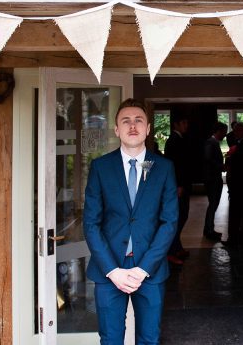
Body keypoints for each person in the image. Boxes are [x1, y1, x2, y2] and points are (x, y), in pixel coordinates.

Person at [83, 98, 178, 345]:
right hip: (109, 269)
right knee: (111, 339)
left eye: (139, 121)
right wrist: (113, 271)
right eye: (126, 121)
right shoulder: (101, 167)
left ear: (148, 129)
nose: (132, 126)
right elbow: (91, 223)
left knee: (149, 338)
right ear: (116, 129)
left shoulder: (164, 168)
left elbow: (169, 222)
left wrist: (143, 268)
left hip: (150, 268)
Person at [163, 115, 192, 265]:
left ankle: (177, 247)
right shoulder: (173, 140)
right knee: (178, 217)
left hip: (182, 184)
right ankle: (170, 251)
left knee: (183, 215)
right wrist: (178, 185)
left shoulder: (179, 139)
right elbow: (175, 165)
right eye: (184, 122)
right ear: (177, 124)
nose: (186, 125)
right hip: (178, 185)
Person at [224, 122, 243, 247]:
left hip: (240, 184)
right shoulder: (242, 143)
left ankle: (235, 239)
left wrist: (230, 157)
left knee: (237, 212)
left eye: (237, 131)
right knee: (241, 212)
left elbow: (240, 164)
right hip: (241, 184)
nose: (234, 133)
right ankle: (240, 237)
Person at [203, 122, 228, 241]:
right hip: (212, 178)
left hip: (213, 178)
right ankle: (209, 230)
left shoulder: (213, 143)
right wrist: (221, 166)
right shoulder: (211, 142)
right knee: (213, 204)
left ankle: (209, 229)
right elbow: (208, 158)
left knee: (213, 204)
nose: (225, 134)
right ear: (218, 131)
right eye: (224, 131)